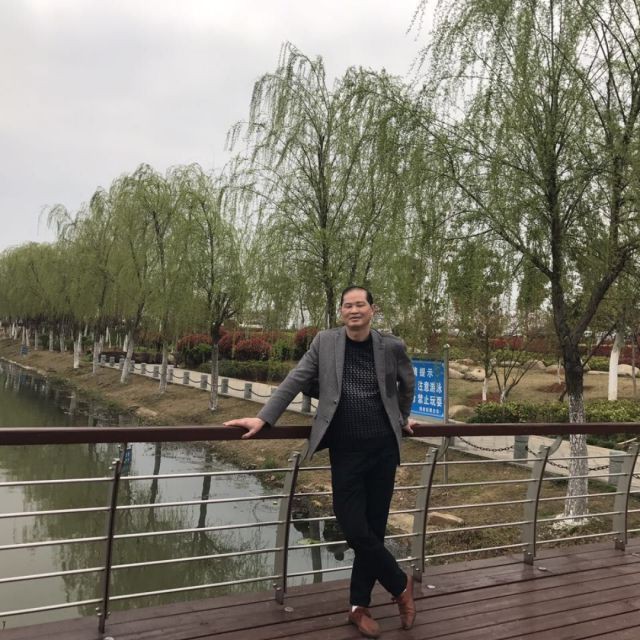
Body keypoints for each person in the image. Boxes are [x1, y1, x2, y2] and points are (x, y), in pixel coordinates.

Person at [224, 286, 417, 638]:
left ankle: (359, 607)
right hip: (345, 451)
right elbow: (296, 379)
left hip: (383, 450)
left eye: (360, 305)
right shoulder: (325, 342)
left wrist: (402, 418)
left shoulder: (391, 346)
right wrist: (264, 418)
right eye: (348, 305)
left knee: (373, 530)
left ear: (373, 310)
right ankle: (399, 584)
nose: (354, 310)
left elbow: (406, 383)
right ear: (341, 311)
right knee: (353, 527)